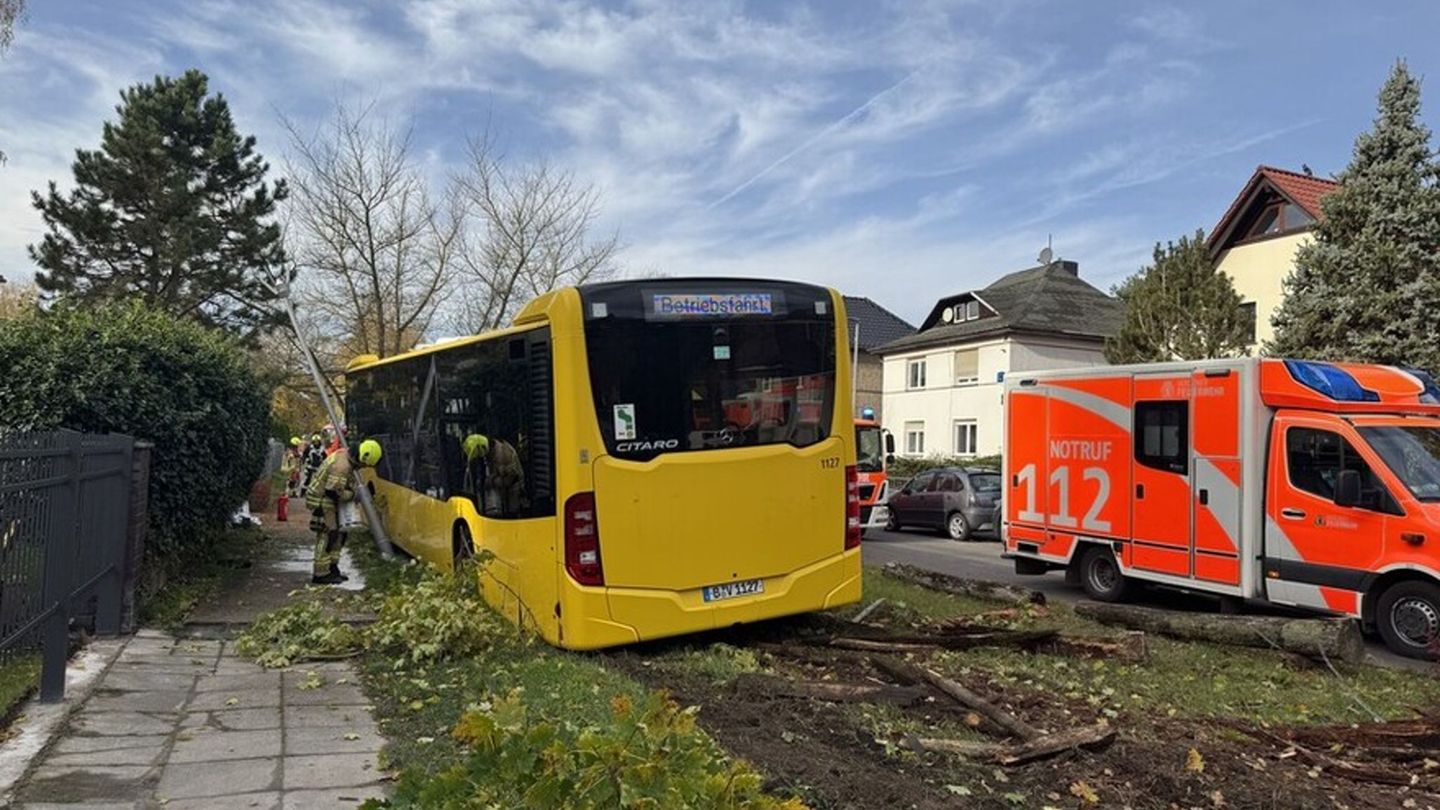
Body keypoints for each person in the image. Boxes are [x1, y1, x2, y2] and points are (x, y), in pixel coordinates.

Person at [305, 438, 383, 585]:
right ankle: (320, 574)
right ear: (361, 458)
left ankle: (332, 568)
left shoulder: (346, 457)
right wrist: (354, 495)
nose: (362, 467)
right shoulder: (341, 466)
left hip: (328, 499)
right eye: (364, 465)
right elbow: (333, 492)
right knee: (329, 534)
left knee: (341, 533)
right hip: (321, 500)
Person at [462, 433, 526, 516]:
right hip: (502, 488)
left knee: (511, 514)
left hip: (513, 492)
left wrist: (491, 482)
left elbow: (511, 479)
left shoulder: (502, 455)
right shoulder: (492, 450)